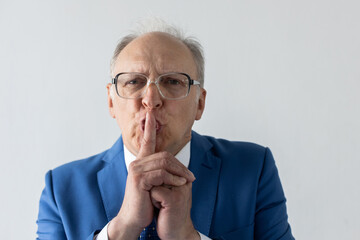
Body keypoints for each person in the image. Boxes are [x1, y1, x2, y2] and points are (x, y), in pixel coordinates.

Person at [36, 20, 294, 240]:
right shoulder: (61, 189)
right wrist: (122, 228)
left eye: (172, 81)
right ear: (111, 101)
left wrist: (188, 237)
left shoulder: (253, 169)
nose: (151, 99)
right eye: (134, 82)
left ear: (199, 104)